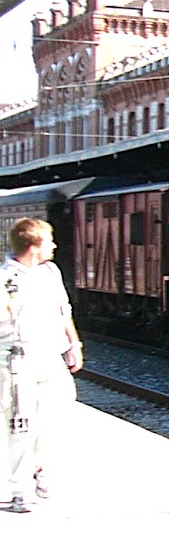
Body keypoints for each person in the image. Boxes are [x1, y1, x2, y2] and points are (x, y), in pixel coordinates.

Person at [2, 218, 84, 514]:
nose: (55, 246)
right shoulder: (6, 279)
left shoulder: (50, 272)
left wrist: (74, 344)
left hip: (50, 358)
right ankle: (19, 491)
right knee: (20, 425)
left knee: (55, 416)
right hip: (17, 360)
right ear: (34, 247)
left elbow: (64, 310)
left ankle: (39, 466)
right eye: (49, 241)